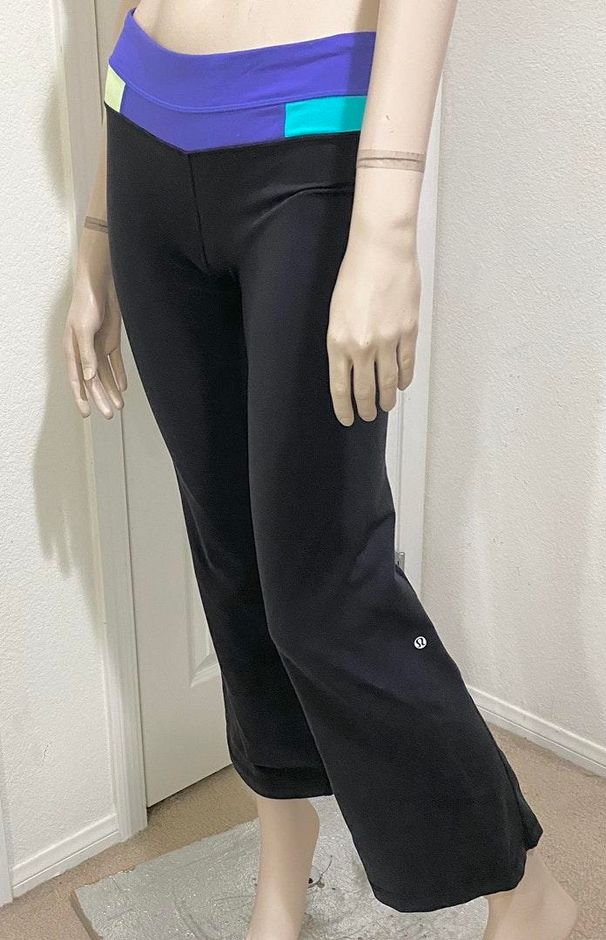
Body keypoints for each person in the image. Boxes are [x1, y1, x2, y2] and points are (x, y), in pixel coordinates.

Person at [63, 2, 578, 938]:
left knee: (326, 591)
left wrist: (386, 221)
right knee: (231, 558)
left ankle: (524, 890)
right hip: (142, 129)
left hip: (310, 136)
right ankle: (282, 851)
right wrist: (96, 231)